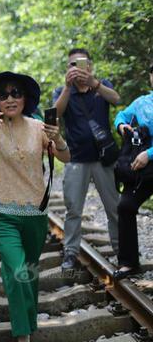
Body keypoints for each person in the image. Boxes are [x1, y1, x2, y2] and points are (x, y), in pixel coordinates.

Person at [0, 72, 70, 342]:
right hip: (2, 211)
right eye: (3, 95)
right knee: (17, 269)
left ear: (25, 98)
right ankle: (22, 332)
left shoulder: (38, 127)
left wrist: (57, 138)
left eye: (16, 93)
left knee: (29, 271)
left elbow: (66, 157)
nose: (10, 99)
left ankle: (29, 318)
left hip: (35, 212)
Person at [53, 48, 121, 271]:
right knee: (73, 209)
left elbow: (116, 99)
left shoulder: (102, 86)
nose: (76, 68)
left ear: (89, 66)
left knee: (114, 208)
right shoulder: (62, 92)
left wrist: (95, 83)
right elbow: (55, 114)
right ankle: (70, 253)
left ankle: (122, 252)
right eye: (71, 65)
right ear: (67, 69)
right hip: (75, 159)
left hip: (103, 159)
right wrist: (66, 87)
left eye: (80, 64)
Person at [112, 64, 153, 279]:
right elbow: (121, 115)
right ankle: (129, 262)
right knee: (126, 206)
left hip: (147, 159)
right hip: (140, 168)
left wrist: (150, 154)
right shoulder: (142, 102)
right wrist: (122, 126)